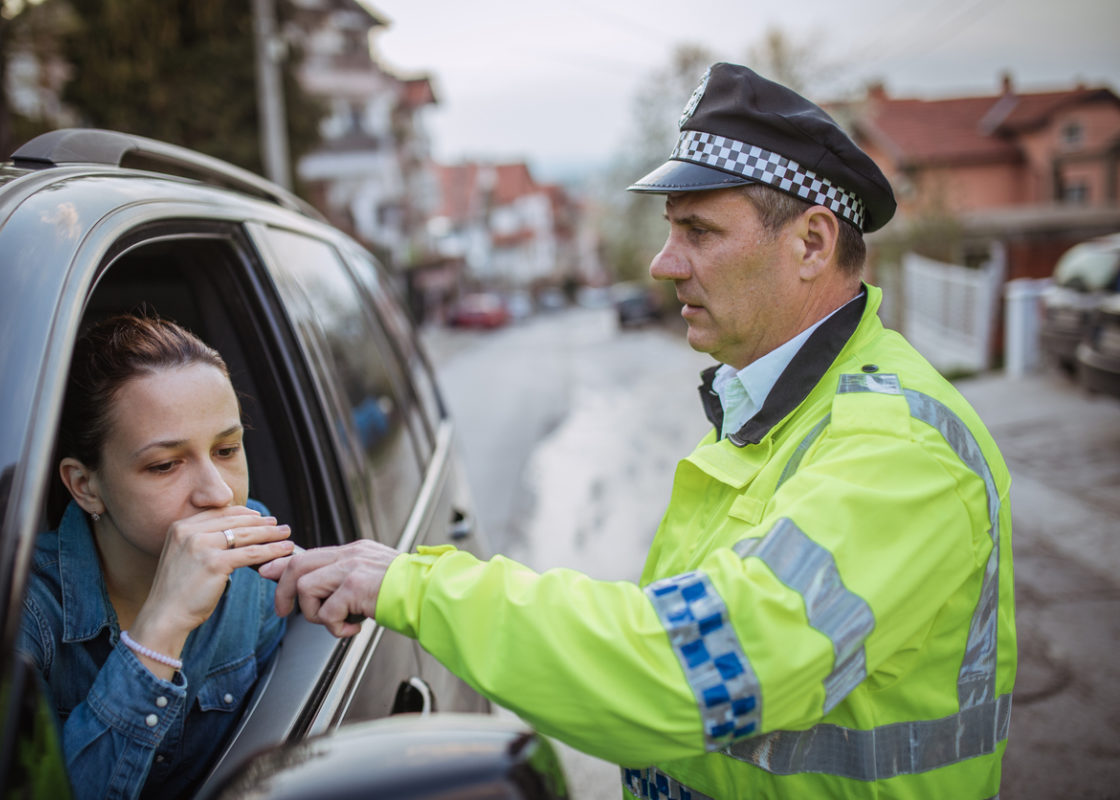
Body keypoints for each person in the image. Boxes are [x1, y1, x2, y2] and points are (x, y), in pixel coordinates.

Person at [262, 63, 1016, 799]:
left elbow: (686, 670)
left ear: (813, 244)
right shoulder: (773, 404)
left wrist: (414, 586)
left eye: (699, 231)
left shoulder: (900, 450)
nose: (663, 263)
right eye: (670, 231)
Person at [19, 314, 297, 799]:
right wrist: (162, 627)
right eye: (165, 464)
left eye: (228, 449)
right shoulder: (24, 614)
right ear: (85, 486)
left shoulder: (255, 551)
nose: (218, 494)